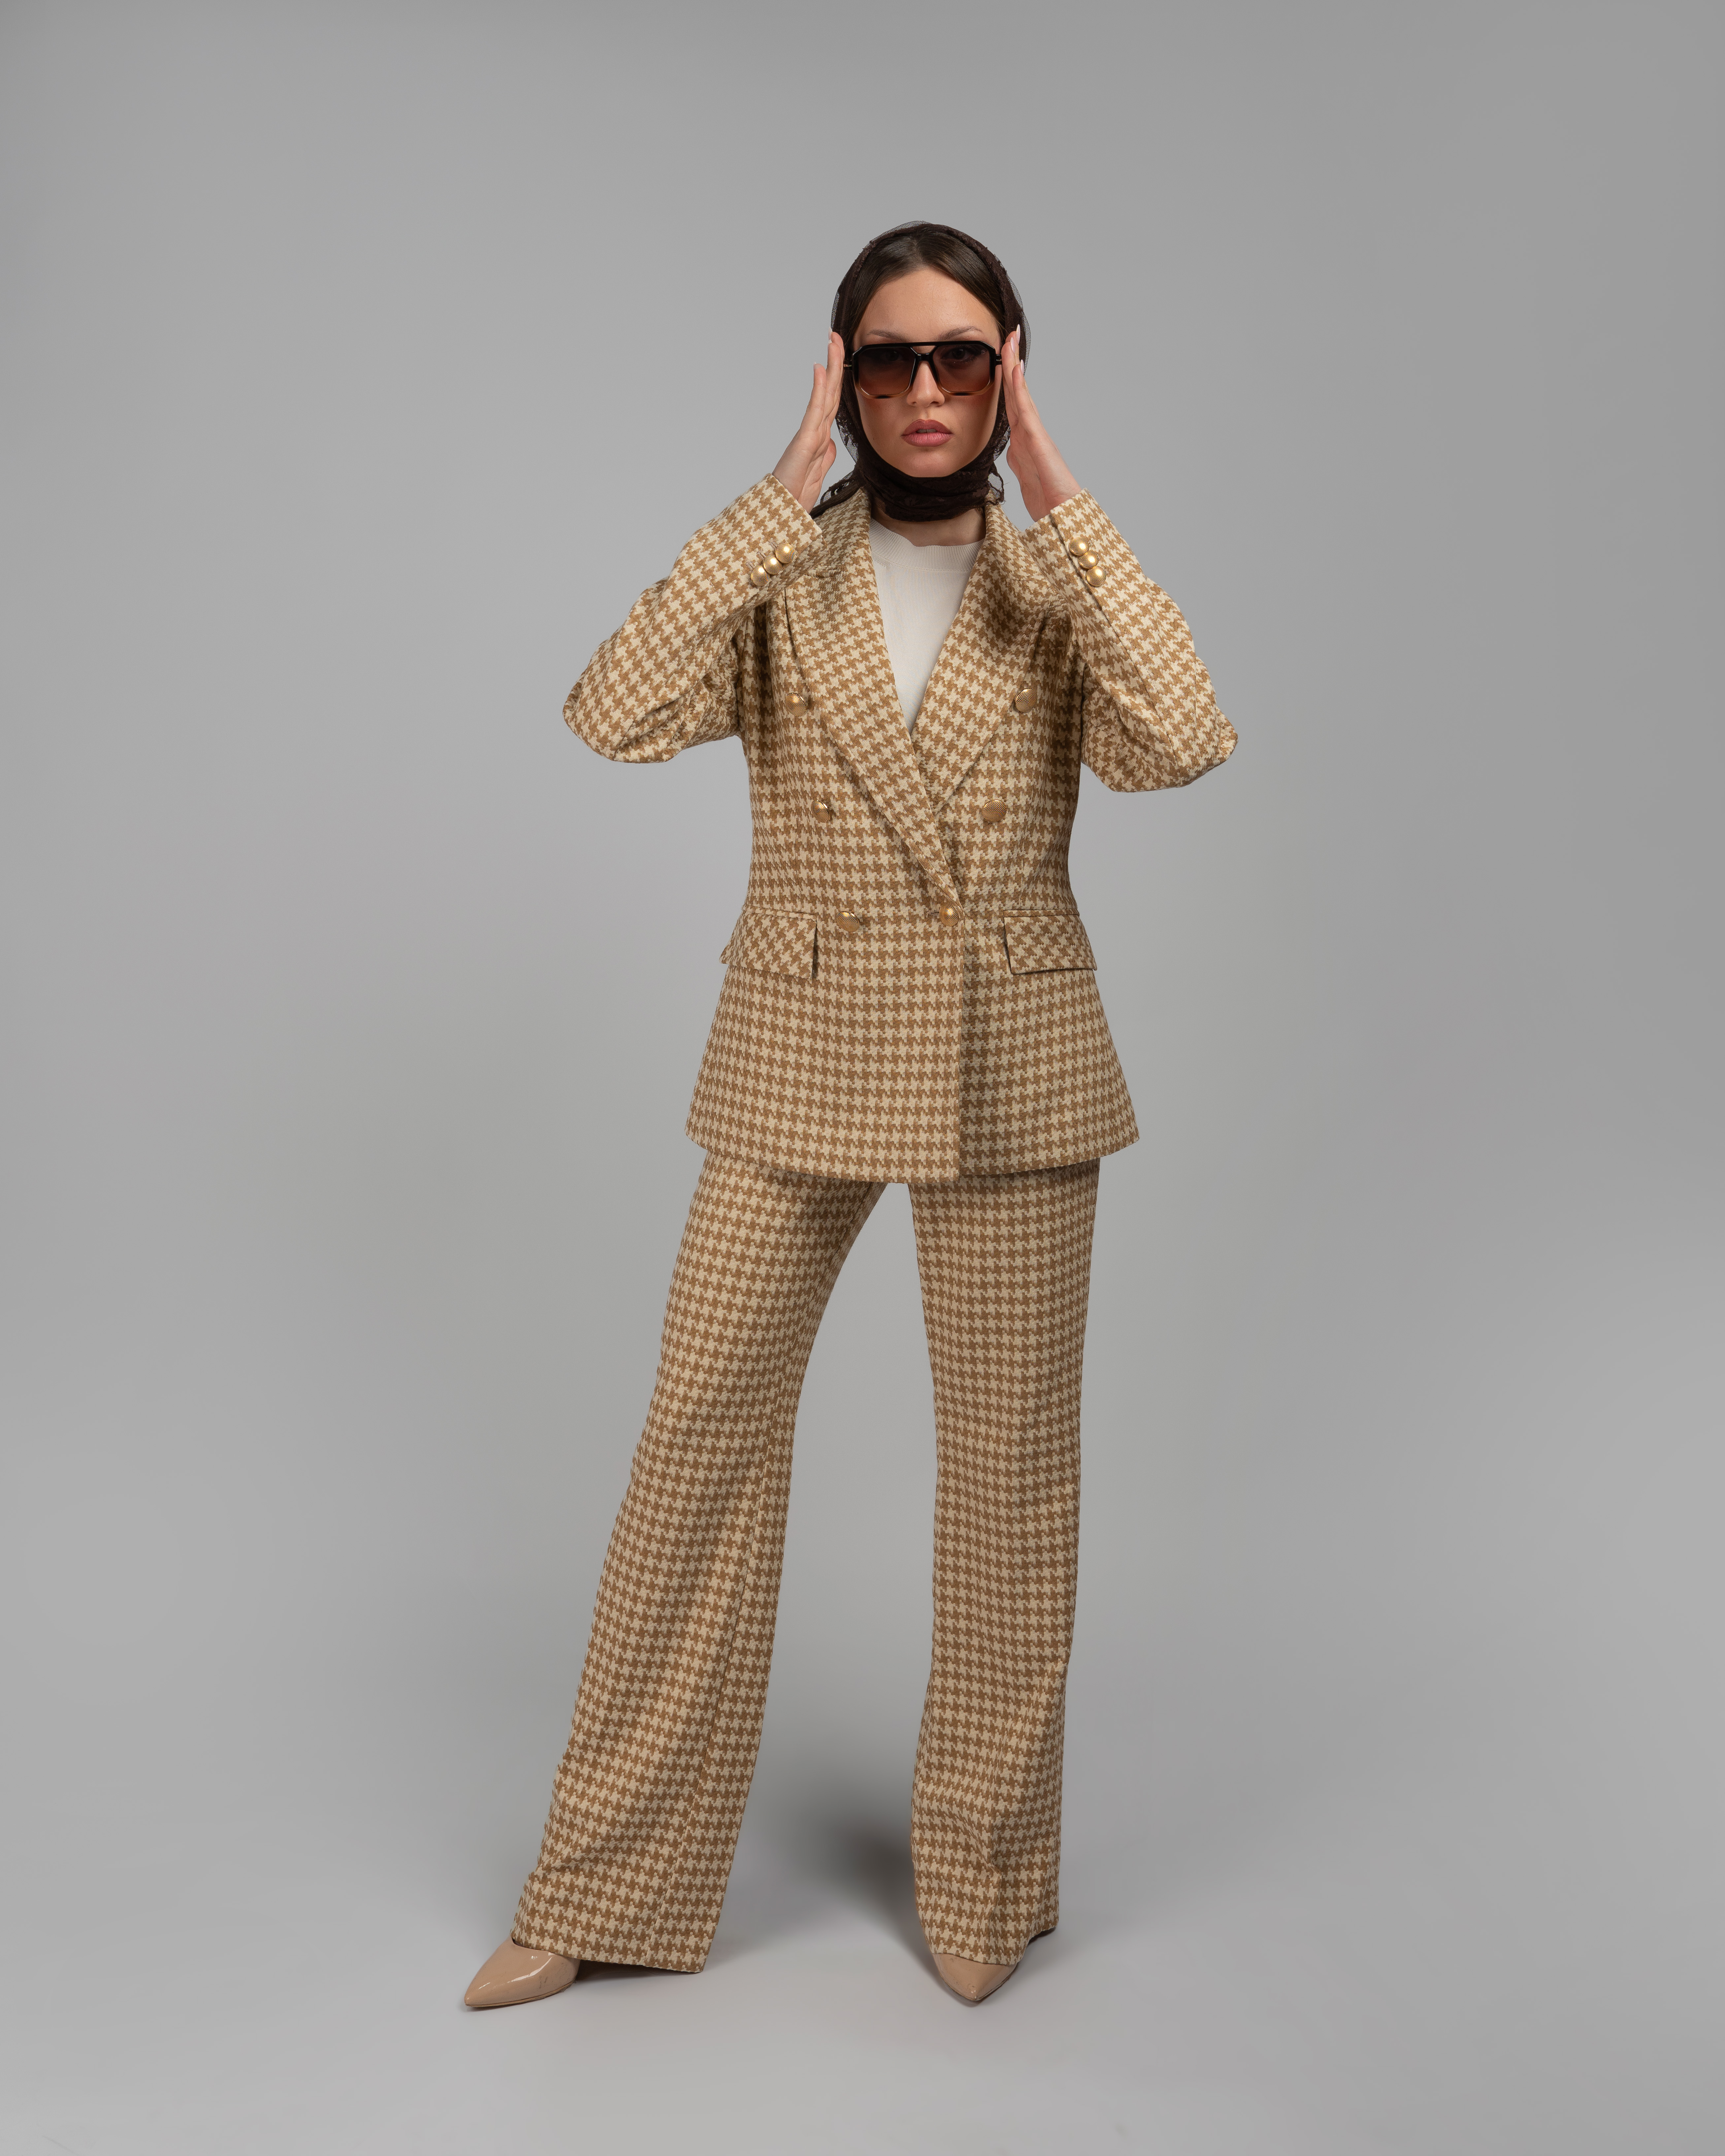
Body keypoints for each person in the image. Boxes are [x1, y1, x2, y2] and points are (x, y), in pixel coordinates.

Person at [464, 220, 1236, 2011]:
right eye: (890, 358)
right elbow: (612, 709)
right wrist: (775, 486)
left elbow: (1185, 736)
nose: (926, 389)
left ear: (1012, 371)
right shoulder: (786, 571)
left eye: (965, 356)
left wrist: (1063, 491)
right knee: (697, 1447)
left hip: (1011, 1050)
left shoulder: (1053, 583)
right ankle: (605, 1884)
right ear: (843, 375)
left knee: (1009, 1479)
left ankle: (984, 1881)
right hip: (800, 1039)